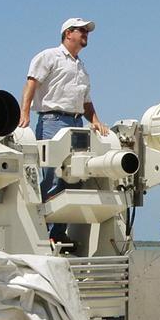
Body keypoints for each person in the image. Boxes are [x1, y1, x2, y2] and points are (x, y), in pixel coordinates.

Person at [19, 17, 110, 244]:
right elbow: (32, 83)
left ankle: (57, 232)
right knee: (51, 177)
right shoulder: (49, 56)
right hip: (53, 120)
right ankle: (40, 231)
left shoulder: (81, 67)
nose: (85, 34)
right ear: (68, 33)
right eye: (81, 30)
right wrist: (25, 113)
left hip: (77, 123)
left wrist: (95, 121)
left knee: (74, 176)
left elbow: (85, 100)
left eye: (86, 31)